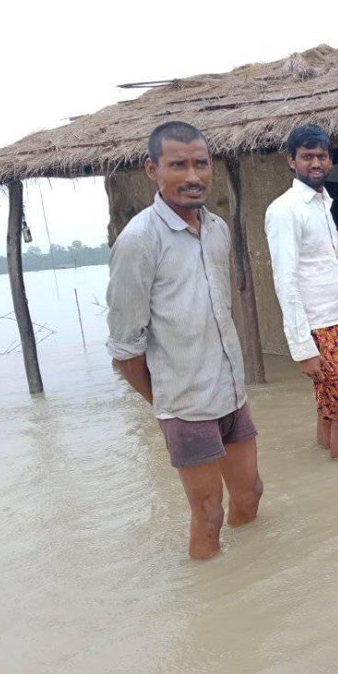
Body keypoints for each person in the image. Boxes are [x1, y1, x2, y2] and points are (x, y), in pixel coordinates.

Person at [106, 121, 263, 560]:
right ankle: (208, 599)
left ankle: (247, 586)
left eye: (201, 163)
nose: (193, 176)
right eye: (179, 165)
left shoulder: (216, 229)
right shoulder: (139, 241)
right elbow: (124, 347)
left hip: (231, 394)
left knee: (250, 495)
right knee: (209, 515)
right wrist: (164, 403)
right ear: (152, 170)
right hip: (185, 406)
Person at [265, 124, 338, 460]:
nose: (315, 163)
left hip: (335, 321)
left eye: (321, 156)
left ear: (330, 160)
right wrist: (303, 347)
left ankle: (328, 480)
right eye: (307, 157)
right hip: (318, 328)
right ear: (291, 160)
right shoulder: (285, 209)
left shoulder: (322, 205)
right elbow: (285, 280)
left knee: (329, 407)